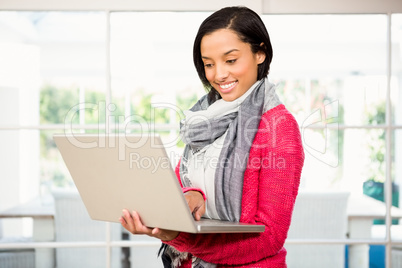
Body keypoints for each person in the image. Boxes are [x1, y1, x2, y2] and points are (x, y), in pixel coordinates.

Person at [120, 6, 304, 268]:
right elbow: (183, 186)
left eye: (230, 60)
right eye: (208, 64)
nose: (218, 74)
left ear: (260, 52)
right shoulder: (204, 119)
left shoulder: (279, 127)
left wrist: (178, 236)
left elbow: (269, 238)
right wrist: (191, 196)